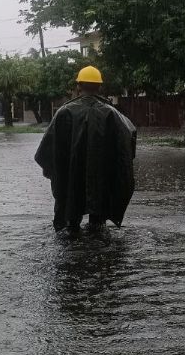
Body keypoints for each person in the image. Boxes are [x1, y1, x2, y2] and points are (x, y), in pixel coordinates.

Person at [34, 66, 137, 235]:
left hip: (71, 176)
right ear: (100, 87)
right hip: (101, 178)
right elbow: (128, 143)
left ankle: (72, 232)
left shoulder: (64, 112)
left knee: (70, 221)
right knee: (98, 222)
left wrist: (50, 168)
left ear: (78, 86)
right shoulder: (113, 114)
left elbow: (48, 147)